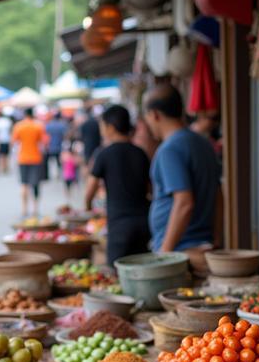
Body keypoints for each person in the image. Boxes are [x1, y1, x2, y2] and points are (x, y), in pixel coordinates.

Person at [144, 84, 219, 252]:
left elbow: (184, 203)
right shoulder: (203, 143)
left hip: (180, 250)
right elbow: (218, 194)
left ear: (154, 115)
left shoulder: (170, 149)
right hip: (202, 244)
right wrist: (216, 237)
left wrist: (165, 254)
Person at [85, 105, 152, 265]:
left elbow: (90, 189)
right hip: (144, 223)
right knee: (141, 267)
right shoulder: (140, 153)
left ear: (110, 128)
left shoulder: (104, 154)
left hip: (119, 225)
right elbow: (150, 189)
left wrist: (88, 208)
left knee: (116, 271)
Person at [12, 107, 48, 218]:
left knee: (24, 184)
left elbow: (14, 141)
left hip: (22, 158)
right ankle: (35, 209)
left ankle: (24, 209)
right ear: (33, 114)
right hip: (36, 158)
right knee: (35, 185)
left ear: (24, 114)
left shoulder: (18, 126)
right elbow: (45, 142)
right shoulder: (38, 126)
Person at [44, 111, 67, 180]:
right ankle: (58, 174)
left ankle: (48, 175)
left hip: (50, 146)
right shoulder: (62, 125)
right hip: (59, 146)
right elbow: (65, 135)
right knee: (58, 161)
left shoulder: (49, 125)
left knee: (48, 161)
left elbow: (45, 135)